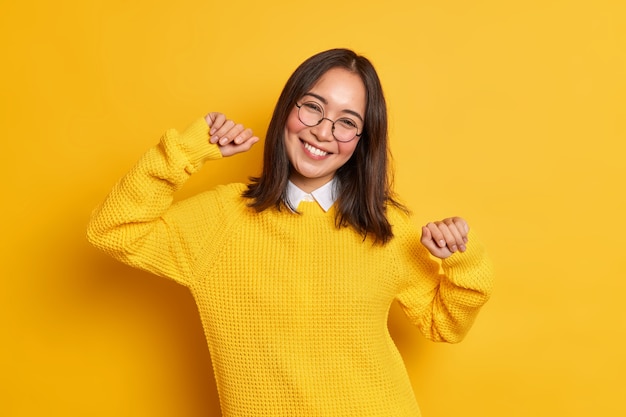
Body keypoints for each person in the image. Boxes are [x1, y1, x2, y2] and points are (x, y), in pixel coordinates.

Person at [87, 48, 494, 417]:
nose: (323, 131)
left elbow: (445, 325)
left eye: (347, 122)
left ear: (361, 140)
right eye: (313, 108)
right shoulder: (221, 218)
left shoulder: (385, 227)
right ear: (287, 109)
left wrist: (464, 258)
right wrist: (185, 153)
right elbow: (114, 229)